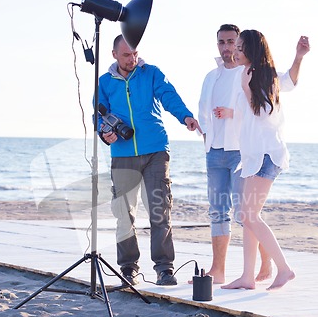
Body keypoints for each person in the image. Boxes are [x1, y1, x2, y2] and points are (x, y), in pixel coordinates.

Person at [98, 34, 202, 286]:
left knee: (159, 210)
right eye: (126, 55)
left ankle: (165, 268)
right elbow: (97, 114)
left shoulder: (151, 73)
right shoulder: (103, 82)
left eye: (134, 54)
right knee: (124, 214)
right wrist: (105, 132)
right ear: (114, 55)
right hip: (122, 155)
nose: (132, 59)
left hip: (156, 150)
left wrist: (185, 116)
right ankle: (128, 268)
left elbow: (169, 95)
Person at [219, 30, 310, 290]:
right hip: (252, 156)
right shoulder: (245, 73)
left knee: (249, 215)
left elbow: (264, 111)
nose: (235, 51)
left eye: (239, 47)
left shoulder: (262, 75)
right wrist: (231, 111)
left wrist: (299, 57)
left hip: (266, 154)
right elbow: (249, 114)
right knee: (248, 217)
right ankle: (248, 277)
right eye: (234, 47)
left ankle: (284, 269)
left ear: (252, 49)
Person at [198, 24, 272, 285]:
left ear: (239, 43)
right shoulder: (211, 76)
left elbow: (259, 110)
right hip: (213, 151)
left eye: (231, 42)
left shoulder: (248, 71)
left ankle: (265, 261)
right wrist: (205, 132)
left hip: (241, 151)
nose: (226, 47)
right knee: (217, 211)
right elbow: (202, 110)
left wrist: (232, 114)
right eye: (222, 42)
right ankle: (218, 271)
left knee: (246, 212)